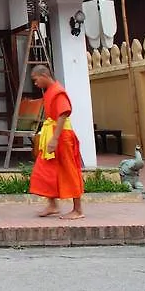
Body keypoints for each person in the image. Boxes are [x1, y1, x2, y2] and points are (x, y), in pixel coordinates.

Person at [28, 65, 85, 219]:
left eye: (36, 79)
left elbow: (63, 115)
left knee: (69, 169)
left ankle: (78, 210)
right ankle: (52, 204)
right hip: (52, 133)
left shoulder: (58, 92)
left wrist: (54, 139)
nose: (35, 83)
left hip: (61, 136)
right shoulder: (49, 92)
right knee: (45, 169)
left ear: (44, 75)